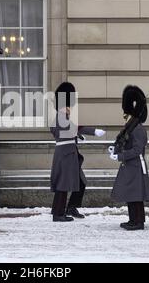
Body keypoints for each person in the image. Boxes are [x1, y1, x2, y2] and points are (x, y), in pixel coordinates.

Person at [50, 82, 106, 222]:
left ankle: (71, 207)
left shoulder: (64, 118)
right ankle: (58, 213)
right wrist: (93, 131)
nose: (71, 108)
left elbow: (70, 130)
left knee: (81, 182)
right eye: (69, 105)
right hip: (65, 154)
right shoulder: (60, 117)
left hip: (70, 153)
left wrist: (77, 136)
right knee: (63, 185)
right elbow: (73, 129)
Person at [109, 85, 149, 231]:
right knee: (130, 195)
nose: (124, 117)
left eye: (126, 115)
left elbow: (137, 150)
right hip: (129, 165)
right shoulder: (130, 128)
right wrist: (115, 149)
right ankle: (133, 219)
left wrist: (120, 156)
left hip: (135, 165)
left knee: (136, 195)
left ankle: (138, 221)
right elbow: (124, 143)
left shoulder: (138, 129)